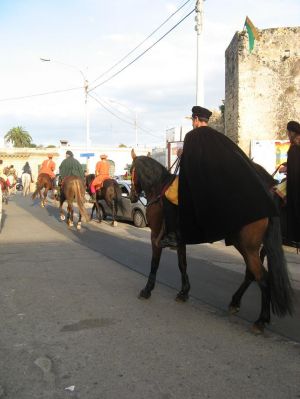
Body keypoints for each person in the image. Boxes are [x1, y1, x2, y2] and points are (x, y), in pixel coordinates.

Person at [161, 105, 278, 248]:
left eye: (193, 120)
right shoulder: (218, 137)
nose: (192, 123)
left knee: (168, 195)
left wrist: (182, 154)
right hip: (216, 184)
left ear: (196, 119)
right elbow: (237, 158)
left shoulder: (191, 136)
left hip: (199, 183)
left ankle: (173, 235)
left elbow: (190, 164)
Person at [285, 120, 300, 244]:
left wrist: (287, 169)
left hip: (295, 183)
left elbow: (295, 170)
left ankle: (290, 233)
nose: (288, 135)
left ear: (292, 132)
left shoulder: (294, 148)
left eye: (288, 132)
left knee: (277, 196)